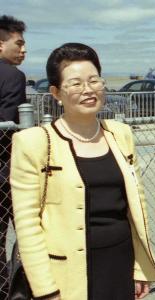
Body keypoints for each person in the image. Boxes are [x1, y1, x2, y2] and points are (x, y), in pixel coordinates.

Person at [9, 43, 155, 300]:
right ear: (56, 92)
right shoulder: (34, 142)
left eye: (94, 80)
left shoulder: (120, 134)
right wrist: (45, 289)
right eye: (76, 83)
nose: (88, 90)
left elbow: (136, 205)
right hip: (65, 273)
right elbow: (27, 224)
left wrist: (139, 266)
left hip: (119, 263)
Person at [0, 14, 26, 298]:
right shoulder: (12, 76)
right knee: (28, 235)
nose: (23, 50)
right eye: (18, 44)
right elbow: (9, 121)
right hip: (6, 171)